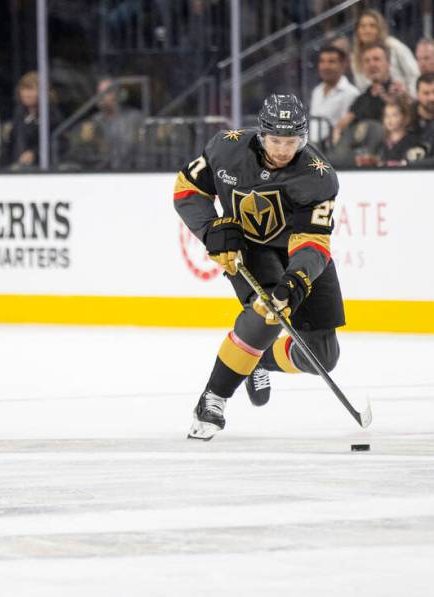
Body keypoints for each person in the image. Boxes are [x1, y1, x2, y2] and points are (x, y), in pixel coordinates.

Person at [173, 94, 344, 440]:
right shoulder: (226, 150)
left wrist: (295, 281)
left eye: (291, 142)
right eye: (276, 140)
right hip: (250, 248)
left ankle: (258, 361)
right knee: (265, 311)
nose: (283, 150)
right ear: (262, 135)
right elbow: (186, 189)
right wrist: (211, 231)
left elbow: (312, 243)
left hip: (298, 252)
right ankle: (213, 399)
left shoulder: (318, 177)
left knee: (323, 357)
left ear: (304, 139)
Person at [332, 43, 406, 145]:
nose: (372, 64)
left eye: (376, 59)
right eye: (367, 61)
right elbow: (342, 124)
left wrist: (400, 99)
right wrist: (337, 134)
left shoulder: (398, 91)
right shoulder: (362, 98)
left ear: (388, 64)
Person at [69, 76, 143, 170]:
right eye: (99, 93)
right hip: (103, 176)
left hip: (132, 174)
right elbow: (86, 156)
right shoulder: (94, 121)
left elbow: (143, 150)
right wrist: (85, 142)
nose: (101, 97)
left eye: (106, 92)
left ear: (116, 95)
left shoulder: (134, 118)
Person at [1, 70, 64, 170]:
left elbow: (60, 144)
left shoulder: (52, 115)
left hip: (43, 170)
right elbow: (12, 143)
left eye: (31, 89)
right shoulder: (19, 114)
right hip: (18, 169)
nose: (26, 94)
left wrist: (35, 154)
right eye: (24, 89)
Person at [350, 9, 419, 96]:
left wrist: (410, 96)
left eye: (372, 26)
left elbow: (414, 73)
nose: (367, 30)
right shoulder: (355, 57)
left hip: (402, 99)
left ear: (380, 29)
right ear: (357, 31)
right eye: (362, 26)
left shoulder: (394, 45)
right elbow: (361, 87)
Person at [308, 46, 359, 145]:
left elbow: (346, 130)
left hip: (332, 151)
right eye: (322, 61)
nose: (325, 66)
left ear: (343, 65)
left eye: (331, 61)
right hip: (312, 148)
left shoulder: (351, 93)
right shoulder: (317, 91)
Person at [376, 97, 427, 166]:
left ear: (405, 117)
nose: (389, 120)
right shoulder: (381, 143)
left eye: (394, 115)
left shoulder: (413, 141)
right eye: (386, 115)